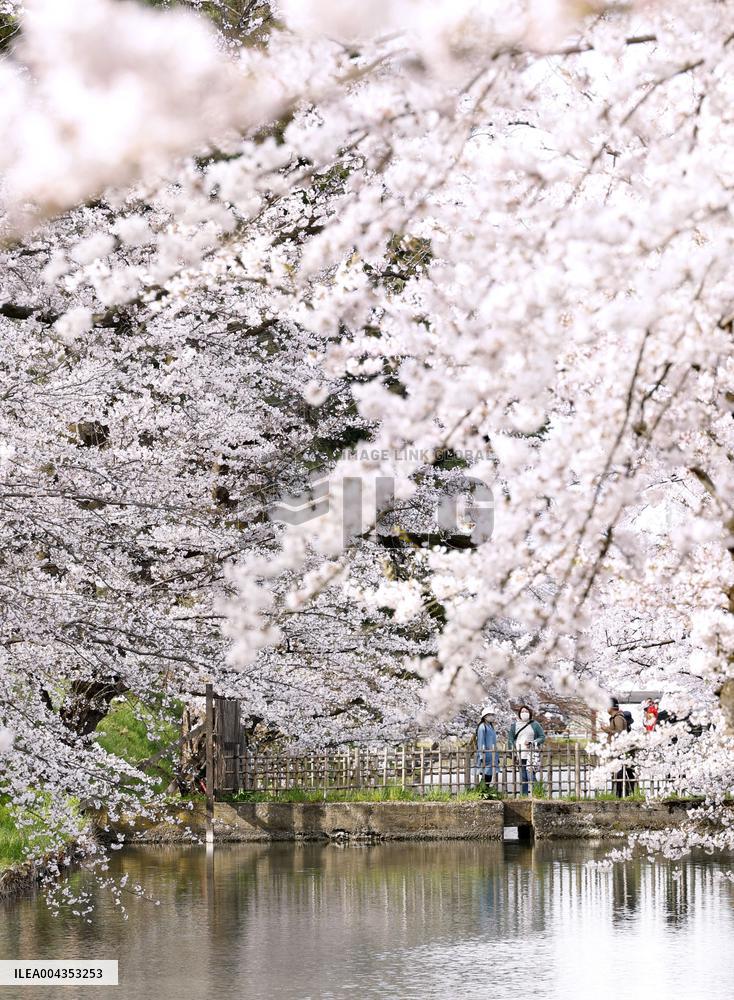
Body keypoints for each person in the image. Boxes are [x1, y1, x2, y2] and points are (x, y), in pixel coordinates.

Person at [602, 698, 636, 797]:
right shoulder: (616, 717)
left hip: (620, 750)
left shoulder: (617, 718)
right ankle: (621, 792)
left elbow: (620, 733)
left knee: (620, 772)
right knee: (620, 772)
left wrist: (607, 730)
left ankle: (621, 793)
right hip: (618, 749)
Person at [507, 706, 545, 795]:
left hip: (531, 754)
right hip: (520, 754)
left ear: (530, 713)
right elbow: (510, 739)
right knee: (523, 777)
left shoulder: (535, 724)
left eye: (526, 711)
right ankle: (523, 796)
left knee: (530, 775)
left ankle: (538, 793)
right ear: (519, 714)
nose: (524, 713)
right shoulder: (515, 725)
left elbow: (542, 737)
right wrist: (513, 751)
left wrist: (533, 742)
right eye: (522, 711)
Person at [475, 708, 498, 786]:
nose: (492, 717)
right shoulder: (482, 727)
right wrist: (481, 756)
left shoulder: (491, 726)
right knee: (486, 776)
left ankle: (485, 791)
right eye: (490, 715)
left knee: (489, 776)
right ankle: (482, 792)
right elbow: (480, 742)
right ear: (485, 717)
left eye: (492, 715)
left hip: (492, 755)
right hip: (486, 755)